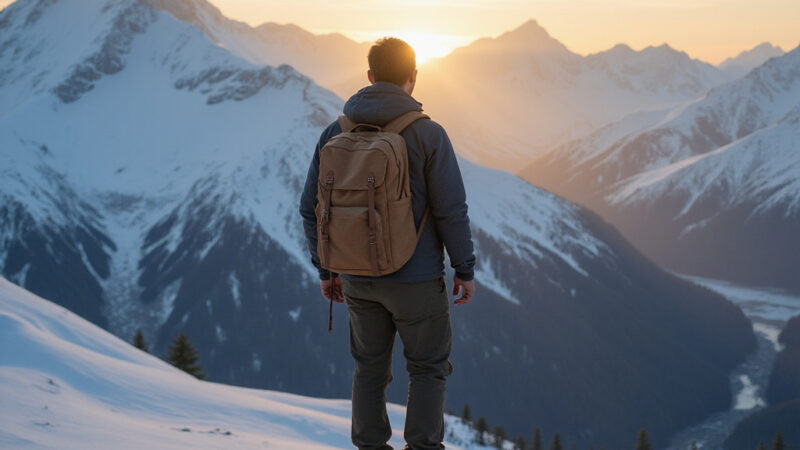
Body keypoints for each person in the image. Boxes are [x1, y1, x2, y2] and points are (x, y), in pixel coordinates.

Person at [299, 37, 476, 450]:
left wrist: (326, 270)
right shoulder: (428, 134)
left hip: (357, 277)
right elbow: (452, 210)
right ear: (413, 79)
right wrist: (464, 269)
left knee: (369, 370)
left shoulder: (334, 131)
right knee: (428, 370)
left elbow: (311, 208)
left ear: (369, 77)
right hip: (417, 281)